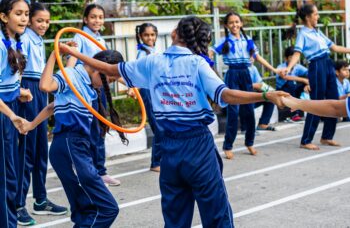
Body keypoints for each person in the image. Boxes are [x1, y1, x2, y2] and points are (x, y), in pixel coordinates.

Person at [59, 16, 288, 228]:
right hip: (198, 147)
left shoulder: (152, 62)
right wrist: (265, 95)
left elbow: (109, 69)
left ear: (175, 33)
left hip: (170, 150)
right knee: (216, 213)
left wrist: (71, 53)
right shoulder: (197, 63)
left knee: (175, 216)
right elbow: (225, 95)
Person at [25, 49, 125, 227]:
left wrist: (30, 125)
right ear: (98, 69)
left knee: (84, 211)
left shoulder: (87, 86)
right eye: (108, 80)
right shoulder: (72, 75)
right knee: (107, 208)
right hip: (70, 145)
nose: (105, 86)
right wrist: (55, 54)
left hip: (75, 147)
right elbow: (45, 86)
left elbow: (53, 106)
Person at [16, 2, 67, 226]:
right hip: (28, 90)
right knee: (26, 153)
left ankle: (40, 199)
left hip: (40, 89)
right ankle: (17, 205)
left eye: (47, 21)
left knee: (40, 151)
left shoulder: (38, 39)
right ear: (29, 20)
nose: (44, 24)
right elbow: (17, 69)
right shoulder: (24, 37)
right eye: (39, 20)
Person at [210, 12, 281, 159]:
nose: (234, 25)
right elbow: (211, 51)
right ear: (226, 25)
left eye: (237, 22)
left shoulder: (248, 40)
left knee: (249, 110)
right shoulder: (224, 41)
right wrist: (206, 57)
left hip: (246, 74)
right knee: (233, 112)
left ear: (241, 23)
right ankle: (228, 146)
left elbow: (257, 57)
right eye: (231, 23)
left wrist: (274, 70)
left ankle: (250, 142)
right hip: (232, 75)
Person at [283, 4, 350, 150]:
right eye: (316, 14)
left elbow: (334, 48)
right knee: (316, 103)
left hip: (327, 64)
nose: (318, 17)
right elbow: (297, 53)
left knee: (334, 100)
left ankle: (327, 136)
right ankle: (306, 139)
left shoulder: (317, 32)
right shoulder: (303, 34)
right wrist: (288, 68)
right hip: (317, 66)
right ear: (307, 17)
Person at [68, 4, 121, 186]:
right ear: (85, 19)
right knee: (88, 130)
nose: (97, 20)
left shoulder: (100, 39)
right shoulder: (80, 37)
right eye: (93, 17)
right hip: (86, 89)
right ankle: (89, 170)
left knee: (100, 129)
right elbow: (72, 62)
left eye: (100, 17)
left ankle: (100, 170)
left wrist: (127, 84)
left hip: (100, 88)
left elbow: (108, 67)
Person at [0, 0, 33, 228]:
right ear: (3, 16)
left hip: (10, 107)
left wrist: (19, 91)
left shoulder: (13, 41)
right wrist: (12, 116)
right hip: (4, 114)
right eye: (18, 14)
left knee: (11, 172)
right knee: (6, 176)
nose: (23, 19)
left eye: (26, 14)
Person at [136, 23, 162, 172]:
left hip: (155, 90)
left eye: (152, 35)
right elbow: (138, 72)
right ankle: (156, 162)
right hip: (147, 91)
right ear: (141, 36)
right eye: (146, 35)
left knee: (161, 124)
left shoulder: (153, 51)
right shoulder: (142, 53)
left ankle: (160, 159)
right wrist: (133, 88)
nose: (150, 37)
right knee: (158, 126)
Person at [276, 46, 309, 122]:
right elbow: (285, 77)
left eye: (295, 57)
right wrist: (303, 80)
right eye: (291, 57)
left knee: (310, 83)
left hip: (293, 90)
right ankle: (294, 114)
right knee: (291, 83)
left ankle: (314, 111)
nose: (294, 60)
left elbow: (309, 73)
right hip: (282, 90)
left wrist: (308, 84)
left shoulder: (298, 67)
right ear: (286, 58)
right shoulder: (281, 67)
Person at [240, 64, 276, 132]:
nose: (252, 58)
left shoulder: (253, 68)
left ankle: (263, 124)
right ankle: (245, 128)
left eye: (252, 55)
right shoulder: (235, 69)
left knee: (270, 97)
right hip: (238, 99)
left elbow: (260, 84)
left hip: (251, 95)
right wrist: (253, 86)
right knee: (245, 100)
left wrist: (271, 91)